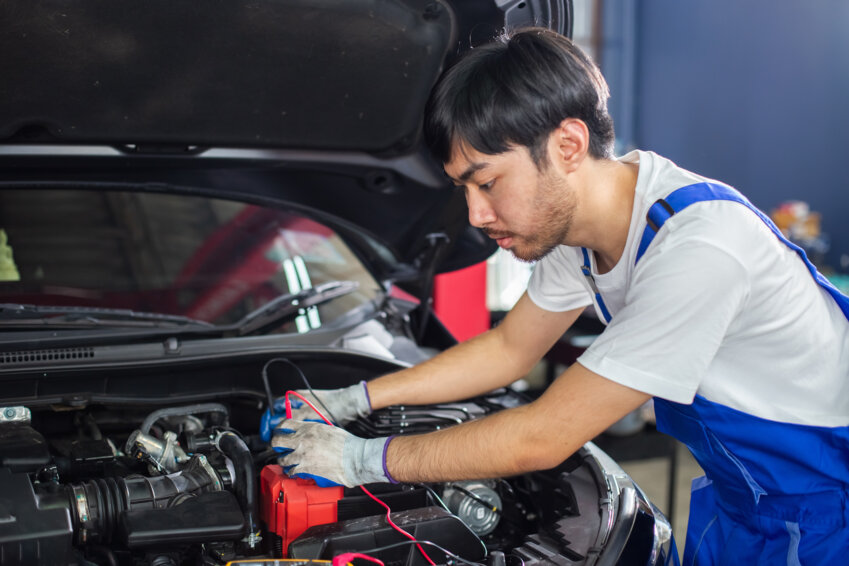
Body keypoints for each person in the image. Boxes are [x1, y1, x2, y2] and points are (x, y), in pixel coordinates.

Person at [272, 27, 849, 565]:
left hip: (826, 509)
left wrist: (359, 460)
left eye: (488, 181)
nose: (475, 214)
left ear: (569, 144)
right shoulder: (583, 230)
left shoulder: (701, 249)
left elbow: (544, 436)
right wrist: (349, 400)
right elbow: (508, 349)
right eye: (464, 189)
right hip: (742, 498)